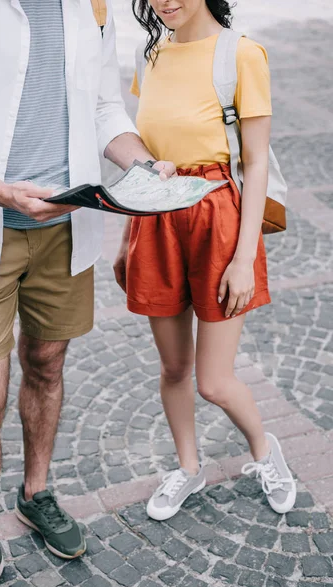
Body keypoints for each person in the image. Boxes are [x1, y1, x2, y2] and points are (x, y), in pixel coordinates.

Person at [0, 0, 176, 587]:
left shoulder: (91, 8)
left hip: (67, 229)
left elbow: (103, 107)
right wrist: (0, 191)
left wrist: (144, 165)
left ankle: (36, 492)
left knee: (46, 364)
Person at [114, 0, 296, 521]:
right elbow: (145, 154)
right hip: (157, 222)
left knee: (213, 380)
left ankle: (265, 451)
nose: (163, 0)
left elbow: (256, 163)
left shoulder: (241, 54)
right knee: (173, 366)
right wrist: (129, 242)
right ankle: (189, 467)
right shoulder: (149, 54)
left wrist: (243, 259)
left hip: (218, 221)